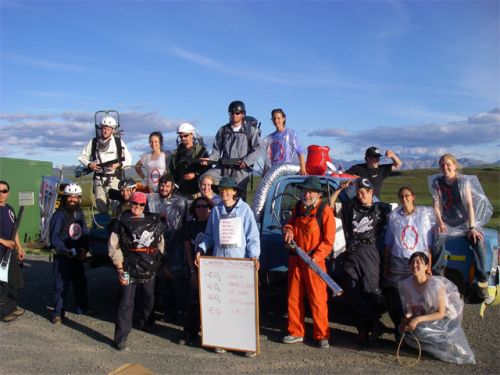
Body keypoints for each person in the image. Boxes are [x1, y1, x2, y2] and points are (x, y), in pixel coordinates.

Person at [196, 176, 260, 357]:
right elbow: (208, 235)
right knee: (222, 304)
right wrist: (201, 249)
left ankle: (246, 343)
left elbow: (252, 236)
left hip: (239, 264)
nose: (224, 192)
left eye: (227, 189)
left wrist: (254, 256)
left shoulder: (245, 210)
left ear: (234, 192)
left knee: (241, 305)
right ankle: (222, 340)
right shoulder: (215, 211)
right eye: (222, 189)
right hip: (219, 263)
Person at [330, 177, 392, 344]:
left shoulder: (381, 208)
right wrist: (338, 190)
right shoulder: (350, 205)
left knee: (370, 289)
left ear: (371, 192)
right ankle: (371, 325)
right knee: (350, 291)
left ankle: (369, 328)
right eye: (358, 193)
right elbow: (329, 206)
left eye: (363, 193)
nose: (360, 196)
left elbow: (400, 217)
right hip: (351, 251)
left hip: (370, 251)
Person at [430, 153, 493, 303]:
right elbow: (437, 205)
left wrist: (472, 227)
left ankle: (482, 281)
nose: (445, 167)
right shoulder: (437, 183)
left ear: (455, 165)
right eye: (442, 165)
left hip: (464, 224)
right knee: (437, 240)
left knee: (478, 241)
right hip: (446, 223)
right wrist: (439, 222)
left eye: (448, 164)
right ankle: (438, 277)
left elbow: (470, 205)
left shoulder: (463, 182)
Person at [282, 176, 335, 349]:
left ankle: (321, 335)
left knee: (318, 299)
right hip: (296, 259)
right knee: (294, 297)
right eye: (305, 190)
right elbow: (289, 223)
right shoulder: (297, 207)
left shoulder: (325, 211)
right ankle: (296, 332)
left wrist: (317, 257)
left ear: (318, 194)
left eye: (311, 191)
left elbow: (329, 240)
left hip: (314, 262)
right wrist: (288, 229)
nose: (307, 194)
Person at [108, 192, 165, 351]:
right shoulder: (120, 222)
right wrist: (119, 267)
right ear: (130, 203)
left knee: (149, 298)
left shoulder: (153, 221)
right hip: (127, 267)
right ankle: (121, 337)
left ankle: (146, 322)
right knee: (126, 302)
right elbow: (114, 246)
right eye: (135, 204)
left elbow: (160, 242)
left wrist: (157, 261)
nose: (137, 207)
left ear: (145, 206)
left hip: (149, 267)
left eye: (141, 205)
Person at [398, 251, 476, 364]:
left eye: (418, 262)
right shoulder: (407, 284)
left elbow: (441, 313)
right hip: (426, 316)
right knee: (408, 330)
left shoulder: (436, 285)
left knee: (421, 329)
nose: (415, 265)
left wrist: (417, 319)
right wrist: (405, 320)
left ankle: (446, 346)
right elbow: (411, 309)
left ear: (426, 267)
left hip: (445, 319)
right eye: (412, 262)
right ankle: (430, 347)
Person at [383, 186, 434, 332]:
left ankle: (419, 329)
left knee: (418, 296)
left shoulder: (423, 216)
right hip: (399, 260)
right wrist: (386, 264)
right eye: (401, 196)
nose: (404, 199)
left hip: (418, 262)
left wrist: (428, 266)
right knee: (399, 297)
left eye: (407, 196)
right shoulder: (394, 217)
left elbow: (428, 243)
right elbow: (388, 242)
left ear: (413, 197)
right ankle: (401, 328)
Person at [200, 100, 262, 200]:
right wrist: (210, 159)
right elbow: (216, 149)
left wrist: (246, 162)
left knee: (238, 198)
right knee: (204, 179)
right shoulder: (223, 130)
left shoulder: (250, 130)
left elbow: (258, 149)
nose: (234, 115)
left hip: (240, 170)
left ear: (243, 114)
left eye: (237, 113)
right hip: (223, 168)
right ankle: (210, 206)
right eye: (231, 113)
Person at [147, 174, 188, 322]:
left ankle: (179, 311)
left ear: (172, 187)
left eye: (167, 186)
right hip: (157, 243)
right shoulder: (151, 200)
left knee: (176, 278)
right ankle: (165, 309)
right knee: (160, 278)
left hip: (176, 244)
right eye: (162, 185)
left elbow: (184, 223)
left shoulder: (181, 202)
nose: (164, 188)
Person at [48, 183, 90, 324]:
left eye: (75, 197)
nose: (73, 199)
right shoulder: (59, 215)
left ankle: (82, 308)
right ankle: (58, 313)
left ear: (79, 198)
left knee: (80, 283)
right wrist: (66, 251)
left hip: (77, 256)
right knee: (61, 286)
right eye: (70, 196)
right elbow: (54, 238)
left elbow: (84, 232)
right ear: (65, 197)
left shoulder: (79, 213)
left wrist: (85, 248)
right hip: (63, 257)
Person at [78, 115, 132, 213]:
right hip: (99, 179)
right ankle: (103, 227)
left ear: (112, 130)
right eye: (104, 128)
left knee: (116, 207)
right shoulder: (94, 142)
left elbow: (129, 159)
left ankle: (117, 227)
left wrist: (118, 165)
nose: (105, 131)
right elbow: (82, 157)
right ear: (100, 128)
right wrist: (90, 164)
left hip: (114, 179)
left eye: (108, 129)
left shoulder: (118, 143)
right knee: (101, 207)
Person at [179, 196, 214, 346]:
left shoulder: (214, 225)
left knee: (211, 302)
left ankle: (211, 335)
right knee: (193, 302)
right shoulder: (189, 226)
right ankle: (189, 333)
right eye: (198, 206)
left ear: (209, 208)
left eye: (204, 206)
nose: (201, 209)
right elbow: (187, 250)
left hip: (212, 269)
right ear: (194, 209)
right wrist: (192, 272)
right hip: (195, 268)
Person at [0, 180, 25, 323]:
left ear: (8, 193)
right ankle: (3, 313)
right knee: (2, 282)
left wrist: (19, 247)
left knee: (14, 280)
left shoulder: (9, 208)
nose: (1, 194)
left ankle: (12, 306)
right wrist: (2, 241)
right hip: (1, 249)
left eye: (4, 191)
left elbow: (14, 230)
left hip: (11, 250)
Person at [169, 123, 209, 199]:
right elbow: (172, 172)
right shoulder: (175, 154)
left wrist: (194, 174)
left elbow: (207, 170)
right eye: (181, 136)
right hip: (179, 192)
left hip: (197, 192)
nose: (183, 138)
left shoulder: (202, 151)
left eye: (185, 135)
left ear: (192, 135)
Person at [263, 108, 306, 175]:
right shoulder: (269, 138)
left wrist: (303, 168)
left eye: (278, 118)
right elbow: (268, 159)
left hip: (289, 173)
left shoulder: (291, 133)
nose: (276, 121)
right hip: (274, 173)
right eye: (274, 118)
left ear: (284, 118)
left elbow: (300, 151)